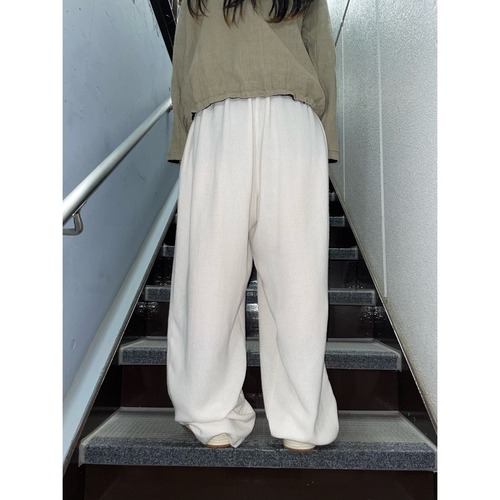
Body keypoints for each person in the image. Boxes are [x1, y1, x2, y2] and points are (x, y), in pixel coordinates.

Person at [166, 0, 339, 451]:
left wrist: (183, 141)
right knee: (289, 281)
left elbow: (186, 53)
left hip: (230, 121)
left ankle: (215, 413)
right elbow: (320, 50)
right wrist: (326, 139)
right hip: (283, 121)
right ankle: (298, 418)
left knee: (216, 277)